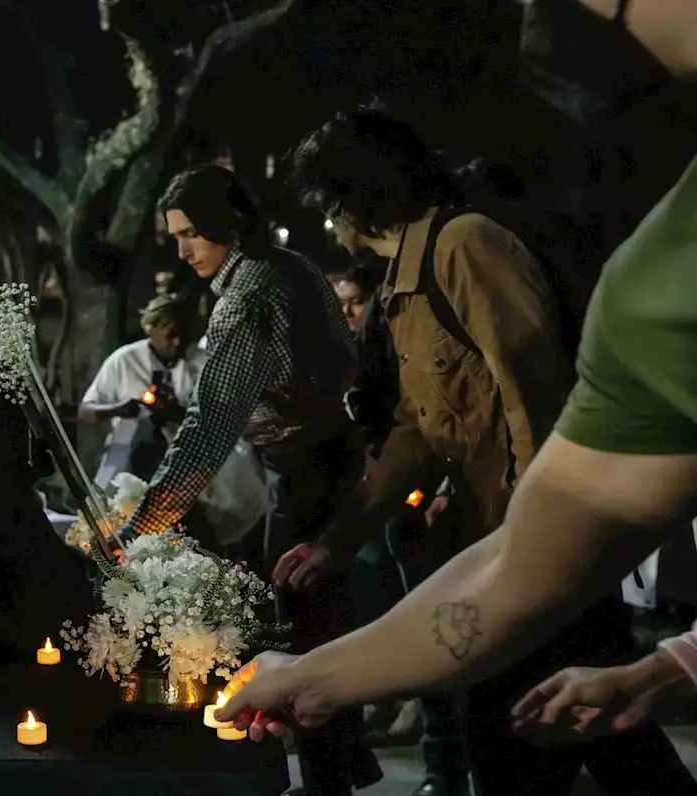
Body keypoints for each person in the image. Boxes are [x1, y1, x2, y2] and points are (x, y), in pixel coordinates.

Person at [216, 3, 697, 793]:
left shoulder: (465, 245)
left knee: (552, 738)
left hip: (542, 547)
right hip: (505, 549)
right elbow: (420, 428)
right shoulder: (407, 280)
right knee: (554, 731)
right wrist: (342, 548)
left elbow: (531, 392)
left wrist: (533, 528)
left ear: (353, 195)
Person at [125, 165, 377, 796]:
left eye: (190, 235)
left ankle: (328, 778)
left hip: (310, 470)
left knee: (300, 624)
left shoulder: (250, 294)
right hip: (330, 459)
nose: (182, 252)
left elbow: (211, 423)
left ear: (226, 223)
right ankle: (341, 765)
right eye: (175, 237)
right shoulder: (287, 265)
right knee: (320, 619)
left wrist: (144, 523)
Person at [79, 292, 198, 484]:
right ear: (150, 330)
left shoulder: (198, 361)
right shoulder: (125, 360)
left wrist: (174, 412)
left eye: (183, 336)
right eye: (170, 335)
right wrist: (118, 409)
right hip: (129, 461)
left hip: (187, 465)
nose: (177, 343)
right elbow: (85, 411)